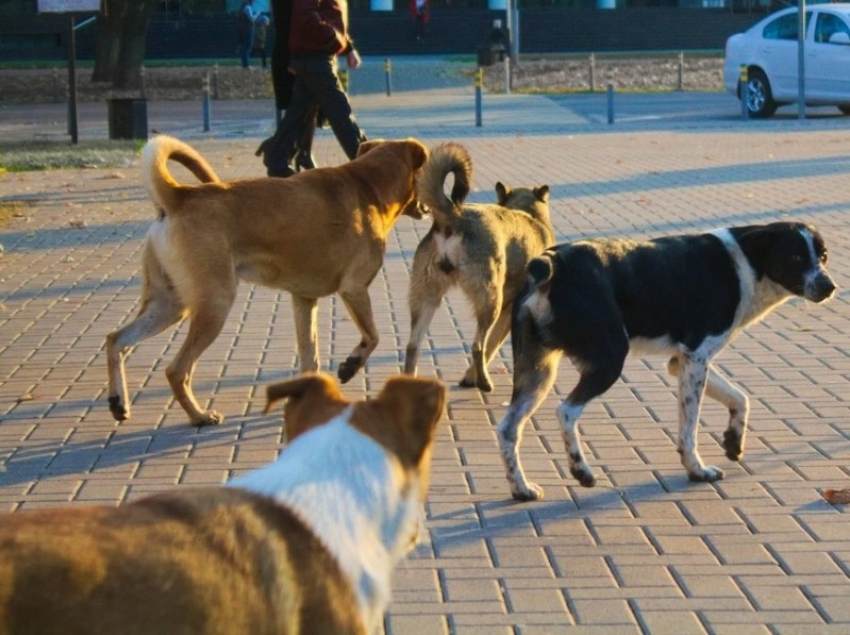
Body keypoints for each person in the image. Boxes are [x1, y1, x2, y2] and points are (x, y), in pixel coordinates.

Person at [256, 0, 366, 178]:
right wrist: (334, 38)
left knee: (300, 111)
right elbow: (302, 15)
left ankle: (277, 157)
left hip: (314, 53)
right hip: (314, 54)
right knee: (339, 111)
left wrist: (347, 46)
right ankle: (367, 163)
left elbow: (330, 11)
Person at [237, 0, 259, 69]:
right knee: (247, 46)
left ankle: (244, 63)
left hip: (242, 28)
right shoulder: (247, 7)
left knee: (244, 46)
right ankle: (246, 64)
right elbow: (252, 19)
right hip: (248, 29)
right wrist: (257, 14)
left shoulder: (242, 6)